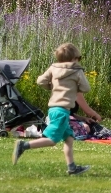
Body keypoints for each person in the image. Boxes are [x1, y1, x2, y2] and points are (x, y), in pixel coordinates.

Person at [13, 42, 101, 175]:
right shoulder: (77, 71)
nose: (78, 61)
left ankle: (72, 167)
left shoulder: (53, 68)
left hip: (54, 109)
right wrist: (73, 88)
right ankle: (23, 146)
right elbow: (86, 88)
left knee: (69, 139)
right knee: (52, 140)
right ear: (73, 59)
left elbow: (40, 81)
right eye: (77, 58)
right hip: (62, 111)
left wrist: (53, 87)